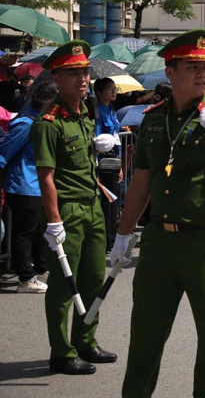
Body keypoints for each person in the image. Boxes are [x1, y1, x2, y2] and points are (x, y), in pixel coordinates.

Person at [112, 29, 205, 398]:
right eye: (193, 67)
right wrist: (123, 235)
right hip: (159, 242)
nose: (203, 74)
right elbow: (141, 181)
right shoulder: (154, 119)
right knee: (145, 335)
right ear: (170, 73)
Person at [31, 41, 117, 375]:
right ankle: (61, 351)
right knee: (64, 286)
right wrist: (54, 221)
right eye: (73, 73)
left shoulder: (84, 114)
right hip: (66, 211)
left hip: (93, 206)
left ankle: (86, 341)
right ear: (56, 76)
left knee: (94, 279)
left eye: (84, 72)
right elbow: (46, 177)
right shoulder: (48, 122)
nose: (82, 79)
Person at [0, 80, 58, 293]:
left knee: (38, 231)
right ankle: (25, 278)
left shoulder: (44, 121)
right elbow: (4, 153)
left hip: (38, 184)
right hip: (23, 184)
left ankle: (41, 268)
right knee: (24, 233)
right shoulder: (26, 123)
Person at [93, 77, 123, 252]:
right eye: (110, 89)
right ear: (99, 92)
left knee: (114, 201)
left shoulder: (111, 110)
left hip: (113, 161)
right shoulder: (98, 111)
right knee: (107, 200)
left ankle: (112, 237)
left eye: (115, 88)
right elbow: (97, 140)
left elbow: (116, 136)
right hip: (104, 162)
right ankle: (107, 240)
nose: (114, 92)